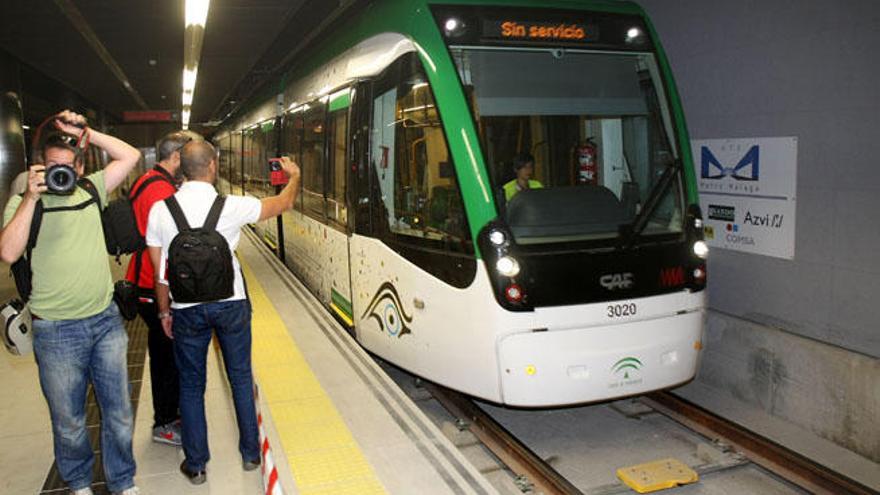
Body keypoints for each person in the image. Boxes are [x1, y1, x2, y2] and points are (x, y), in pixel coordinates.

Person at [0, 110, 141, 495]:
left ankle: (122, 481)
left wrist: (87, 133)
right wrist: (29, 196)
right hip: (56, 331)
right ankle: (79, 482)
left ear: (79, 167)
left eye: (66, 166)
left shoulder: (93, 189)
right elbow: (9, 253)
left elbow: (130, 157)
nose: (58, 174)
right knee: (69, 421)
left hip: (105, 321)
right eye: (50, 167)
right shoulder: (25, 203)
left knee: (119, 413)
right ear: (39, 168)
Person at [146, 140, 300, 484]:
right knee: (241, 377)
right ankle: (250, 454)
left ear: (181, 168)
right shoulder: (232, 205)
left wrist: (163, 313)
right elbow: (285, 202)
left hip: (186, 308)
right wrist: (294, 176)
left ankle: (197, 464)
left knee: (190, 385)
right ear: (212, 165)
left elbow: (160, 273)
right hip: (231, 304)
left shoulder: (160, 209)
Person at [124, 131, 193, 446]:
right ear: (177, 157)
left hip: (147, 279)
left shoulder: (148, 180)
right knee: (166, 356)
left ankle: (171, 415)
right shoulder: (160, 190)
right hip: (153, 284)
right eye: (188, 156)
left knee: (166, 353)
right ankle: (165, 422)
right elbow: (169, 244)